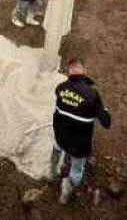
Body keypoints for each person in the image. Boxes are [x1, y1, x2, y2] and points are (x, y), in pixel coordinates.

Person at [52, 58, 112, 204]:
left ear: (69, 71)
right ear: (84, 71)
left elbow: (63, 106)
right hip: (79, 145)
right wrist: (104, 110)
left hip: (60, 137)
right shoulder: (92, 94)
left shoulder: (60, 88)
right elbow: (106, 123)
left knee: (56, 152)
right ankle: (65, 192)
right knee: (77, 169)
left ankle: (53, 173)